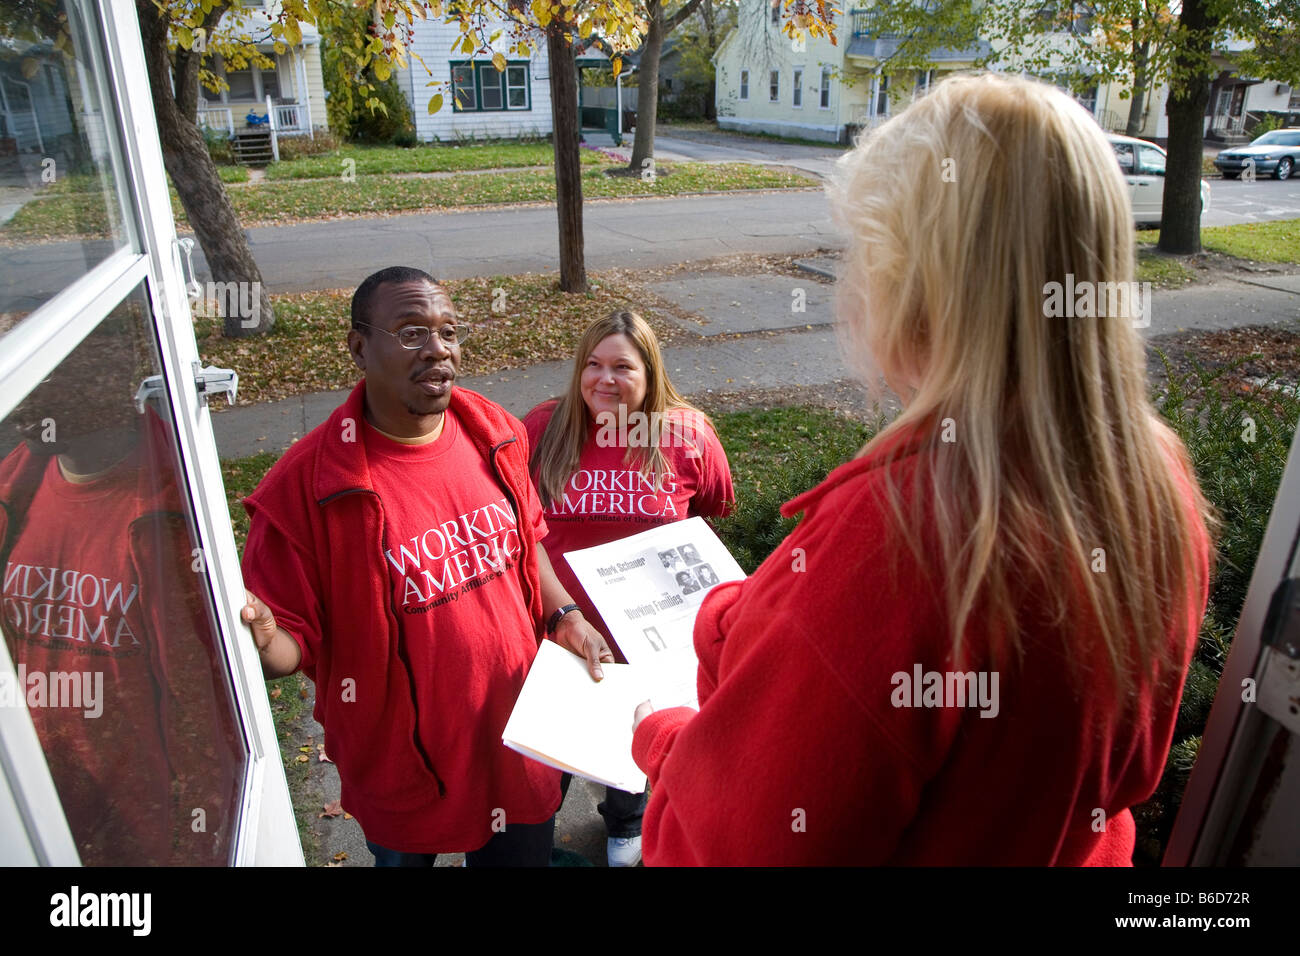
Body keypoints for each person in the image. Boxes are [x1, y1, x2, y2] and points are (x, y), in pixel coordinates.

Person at [629, 74, 1216, 865]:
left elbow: (728, 844)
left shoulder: (902, 530)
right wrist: (757, 621)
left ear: (916, 283)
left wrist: (661, 738)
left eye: (863, 251)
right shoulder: (1153, 480)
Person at [239, 266, 614, 867]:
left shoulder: (493, 431)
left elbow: (529, 539)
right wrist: (261, 639)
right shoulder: (307, 488)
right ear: (360, 347)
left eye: (448, 331)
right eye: (411, 332)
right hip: (402, 765)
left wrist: (564, 614)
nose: (438, 349)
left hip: (515, 737)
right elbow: (289, 647)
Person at [0, 314, 242, 865]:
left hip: (141, 816)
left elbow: (204, 704)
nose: (17, 396)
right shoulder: (15, 489)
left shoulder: (171, 515)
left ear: (111, 374)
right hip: (38, 794)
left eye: (41, 372)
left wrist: (201, 835)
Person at [523, 311, 734, 866]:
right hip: (561, 626)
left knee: (637, 740)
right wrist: (559, 612)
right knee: (552, 757)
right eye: (592, 365)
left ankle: (625, 824)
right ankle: (532, 836)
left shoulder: (687, 434)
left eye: (622, 366)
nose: (604, 380)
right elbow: (516, 522)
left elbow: (709, 511)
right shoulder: (544, 428)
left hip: (649, 631)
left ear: (650, 370)